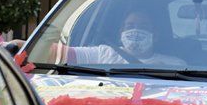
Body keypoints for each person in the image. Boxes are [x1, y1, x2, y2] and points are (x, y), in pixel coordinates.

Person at [52, 11, 184, 67]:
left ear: (155, 35)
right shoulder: (103, 53)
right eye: (130, 26)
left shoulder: (174, 65)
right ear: (121, 32)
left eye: (143, 26)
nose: (135, 30)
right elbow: (58, 53)